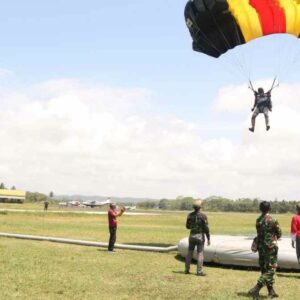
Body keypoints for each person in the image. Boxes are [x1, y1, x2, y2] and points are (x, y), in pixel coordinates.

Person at [248, 201, 281, 299]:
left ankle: (271, 291)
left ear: (260, 209)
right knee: (271, 269)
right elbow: (279, 234)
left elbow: (259, 233)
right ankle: (256, 289)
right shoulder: (273, 220)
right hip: (270, 247)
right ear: (269, 208)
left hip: (261, 247)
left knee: (264, 269)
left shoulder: (258, 220)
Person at [185, 199, 210, 276]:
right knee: (200, 254)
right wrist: (208, 238)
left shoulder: (190, 215)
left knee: (189, 253)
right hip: (200, 236)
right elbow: (206, 229)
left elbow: (187, 226)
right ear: (200, 207)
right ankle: (199, 271)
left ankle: (186, 269)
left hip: (191, 235)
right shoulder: (203, 216)